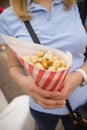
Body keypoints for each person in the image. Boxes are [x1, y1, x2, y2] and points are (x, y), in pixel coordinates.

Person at [0, 0, 87, 130]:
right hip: (41, 108)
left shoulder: (81, 5)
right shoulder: (7, 18)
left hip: (82, 102)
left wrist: (80, 75)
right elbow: (14, 67)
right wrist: (26, 84)